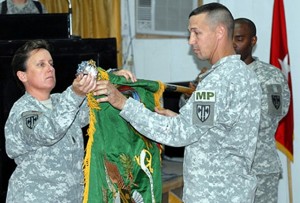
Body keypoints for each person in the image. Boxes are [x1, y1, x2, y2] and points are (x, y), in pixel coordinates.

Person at [94, 3, 262, 203]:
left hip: (214, 194)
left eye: (196, 33)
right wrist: (180, 118)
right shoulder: (243, 73)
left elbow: (178, 133)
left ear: (219, 31)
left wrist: (124, 103)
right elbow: (216, 128)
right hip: (234, 191)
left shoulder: (217, 81)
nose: (191, 41)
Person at [4, 39, 136, 202]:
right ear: (22, 75)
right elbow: (50, 131)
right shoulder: (23, 112)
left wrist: (111, 79)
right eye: (41, 65)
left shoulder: (60, 101)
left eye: (51, 63)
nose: (50, 69)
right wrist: (75, 94)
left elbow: (92, 106)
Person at [233, 17, 291, 203]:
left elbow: (270, 117)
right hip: (225, 171)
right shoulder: (218, 74)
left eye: (239, 39)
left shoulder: (271, 76)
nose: (233, 44)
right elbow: (199, 119)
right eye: (230, 39)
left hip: (259, 168)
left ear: (253, 41)